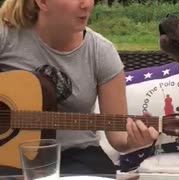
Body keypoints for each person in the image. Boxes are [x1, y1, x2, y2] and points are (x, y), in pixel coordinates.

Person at [0, 0, 159, 175]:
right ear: (43, 2)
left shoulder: (101, 52)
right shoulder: (6, 36)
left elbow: (119, 138)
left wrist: (134, 140)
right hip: (8, 156)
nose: (86, 5)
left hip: (77, 157)